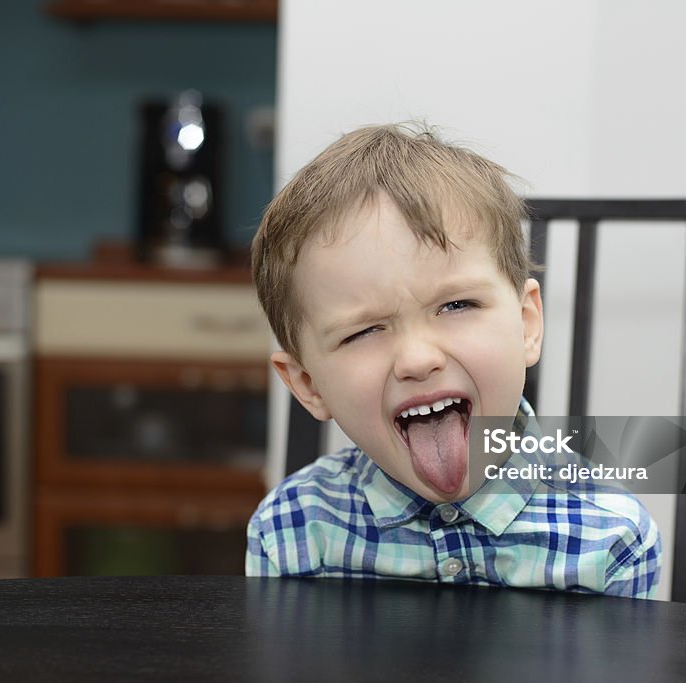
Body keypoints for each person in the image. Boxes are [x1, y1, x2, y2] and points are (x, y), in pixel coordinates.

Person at [245, 123, 660, 597]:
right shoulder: (292, 532)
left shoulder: (610, 540)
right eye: (363, 331)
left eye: (457, 305)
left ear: (526, 324)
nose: (418, 359)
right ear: (308, 385)